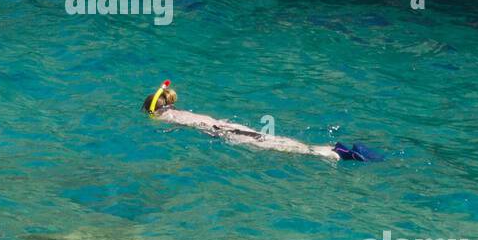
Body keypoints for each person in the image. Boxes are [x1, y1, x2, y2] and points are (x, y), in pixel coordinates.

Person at [141, 81, 382, 162]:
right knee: (276, 141)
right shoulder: (181, 112)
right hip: (232, 128)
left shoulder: (167, 117)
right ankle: (332, 149)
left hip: (228, 134)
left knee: (281, 147)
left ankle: (335, 153)